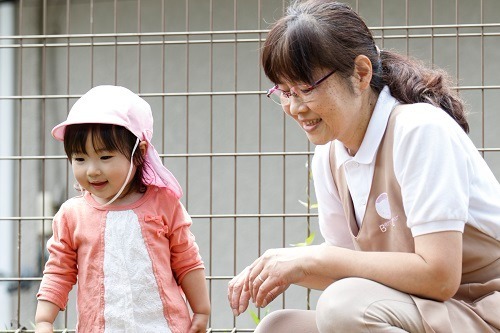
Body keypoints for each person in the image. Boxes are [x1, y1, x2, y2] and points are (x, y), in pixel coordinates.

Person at [227, 1, 500, 332]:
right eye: (284, 92)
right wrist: (280, 266)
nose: (295, 107)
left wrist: (311, 259)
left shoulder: (419, 129)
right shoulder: (329, 156)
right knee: (279, 327)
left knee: (343, 306)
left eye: (306, 88)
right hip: (426, 311)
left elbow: (440, 276)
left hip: (481, 309)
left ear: (360, 73)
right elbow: (350, 268)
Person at [35, 85, 210, 333]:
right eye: (80, 159)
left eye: (105, 157)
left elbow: (187, 260)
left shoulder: (164, 204)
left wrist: (201, 310)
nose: (92, 170)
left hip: (164, 327)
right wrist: (44, 319)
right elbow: (58, 270)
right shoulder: (72, 215)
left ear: (139, 152)